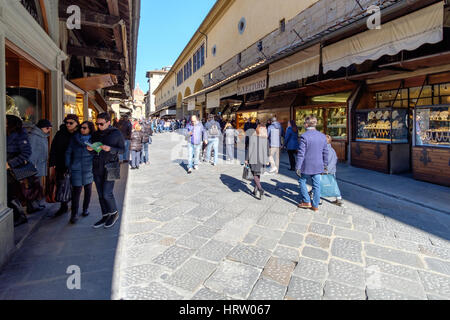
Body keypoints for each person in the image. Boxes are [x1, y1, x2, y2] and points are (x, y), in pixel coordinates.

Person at [88, 113, 125, 229]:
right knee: (100, 194)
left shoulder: (116, 133)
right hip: (97, 165)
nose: (99, 126)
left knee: (106, 193)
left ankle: (114, 213)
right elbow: (93, 150)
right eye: (97, 124)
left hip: (112, 165)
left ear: (108, 122)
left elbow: (122, 150)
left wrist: (111, 149)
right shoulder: (95, 134)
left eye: (101, 124)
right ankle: (105, 215)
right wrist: (90, 149)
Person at [296, 115, 328, 212]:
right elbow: (325, 152)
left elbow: (301, 154)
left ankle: (306, 201)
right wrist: (325, 164)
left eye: (304, 123)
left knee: (302, 181)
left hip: (307, 164)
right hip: (318, 164)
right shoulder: (322, 136)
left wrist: (298, 166)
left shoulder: (304, 136)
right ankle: (315, 205)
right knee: (317, 185)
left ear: (306, 124)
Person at [49, 114, 79, 217]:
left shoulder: (79, 134)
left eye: (71, 123)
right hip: (61, 164)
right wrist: (52, 165)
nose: (68, 125)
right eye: (66, 122)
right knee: (62, 186)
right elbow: (53, 150)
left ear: (76, 123)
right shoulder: (60, 133)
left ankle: (75, 208)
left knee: (75, 187)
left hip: (76, 165)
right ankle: (63, 206)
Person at [65, 121, 95, 224]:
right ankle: (74, 215)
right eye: (81, 127)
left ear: (90, 129)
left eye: (84, 128)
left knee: (88, 191)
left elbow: (98, 153)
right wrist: (68, 165)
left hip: (89, 168)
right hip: (76, 168)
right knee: (76, 193)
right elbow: (68, 152)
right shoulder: (74, 138)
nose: (82, 129)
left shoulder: (94, 139)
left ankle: (85, 209)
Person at [6, 115, 32, 227]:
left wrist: (10, 164)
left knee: (10, 195)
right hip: (6, 171)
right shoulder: (6, 133)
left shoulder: (20, 135)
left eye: (5, 121)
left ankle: (20, 216)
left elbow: (26, 153)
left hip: (12, 171)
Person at [27, 119, 52, 212]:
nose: (49, 129)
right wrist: (33, 167)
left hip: (39, 165)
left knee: (37, 187)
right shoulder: (34, 137)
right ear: (41, 128)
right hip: (34, 166)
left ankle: (35, 204)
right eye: (47, 128)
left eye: (50, 128)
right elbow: (31, 153)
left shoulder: (42, 136)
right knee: (33, 187)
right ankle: (31, 207)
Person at [246, 120, 269, 200]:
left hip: (254, 158)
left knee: (254, 174)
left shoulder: (253, 138)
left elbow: (249, 150)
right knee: (257, 173)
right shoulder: (266, 139)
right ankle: (255, 190)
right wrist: (267, 159)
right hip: (262, 158)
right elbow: (267, 150)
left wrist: (246, 159)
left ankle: (260, 189)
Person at [325, 135, 343, 206]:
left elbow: (327, 161)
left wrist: (326, 170)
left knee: (318, 182)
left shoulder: (326, 150)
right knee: (333, 184)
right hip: (332, 170)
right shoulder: (332, 149)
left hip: (327, 171)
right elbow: (335, 159)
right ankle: (339, 198)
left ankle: (312, 194)